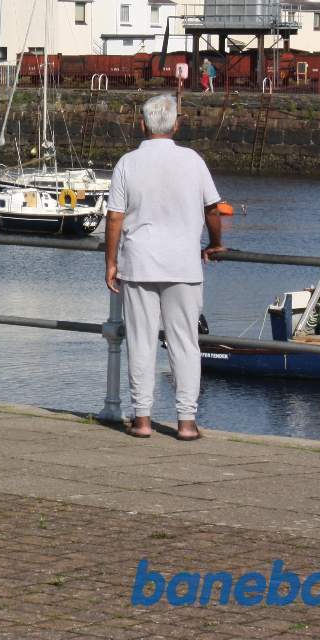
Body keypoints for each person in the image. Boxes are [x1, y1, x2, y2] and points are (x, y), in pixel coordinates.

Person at [104, 94, 225, 441]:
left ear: (142, 125)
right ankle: (186, 422)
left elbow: (114, 217)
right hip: (184, 264)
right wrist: (215, 244)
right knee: (185, 343)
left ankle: (142, 419)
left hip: (139, 262)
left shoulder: (127, 163)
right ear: (176, 124)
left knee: (140, 342)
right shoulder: (193, 161)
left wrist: (111, 262)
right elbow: (213, 210)